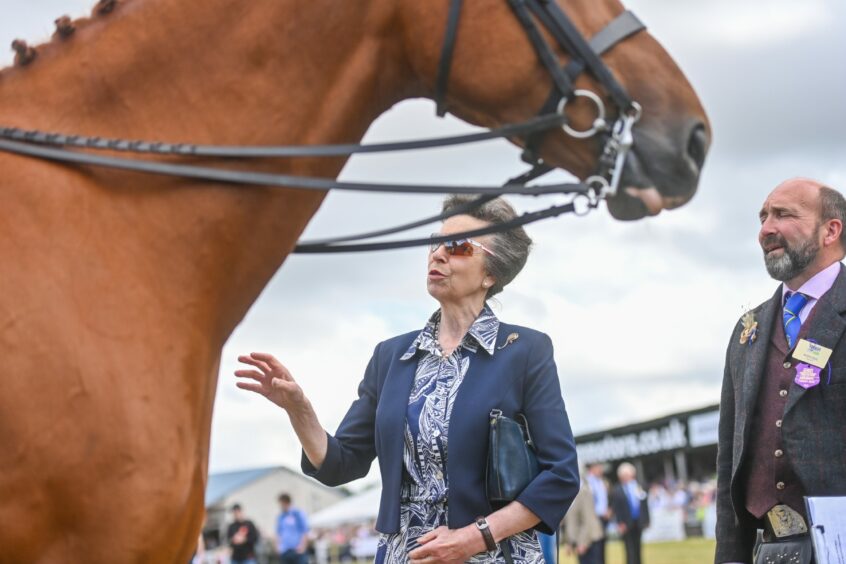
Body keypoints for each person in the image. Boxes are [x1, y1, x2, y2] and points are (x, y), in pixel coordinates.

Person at [236, 195, 580, 563]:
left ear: (490, 274)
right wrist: (299, 409)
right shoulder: (390, 357)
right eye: (436, 242)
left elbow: (561, 475)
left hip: (493, 555)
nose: (438, 254)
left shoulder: (525, 350)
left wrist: (473, 538)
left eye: (458, 247)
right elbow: (342, 464)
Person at [716, 178, 846, 564]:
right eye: (763, 217)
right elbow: (728, 460)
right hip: (764, 549)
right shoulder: (747, 330)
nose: (766, 229)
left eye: (784, 215)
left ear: (831, 230)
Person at [610, 463, 649, 564]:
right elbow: (617, 508)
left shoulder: (639, 486)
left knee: (638, 548)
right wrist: (620, 522)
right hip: (626, 523)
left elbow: (644, 504)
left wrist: (647, 520)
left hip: (638, 522)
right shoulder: (617, 490)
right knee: (629, 549)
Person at [563, 469, 604, 564]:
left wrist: (583, 543)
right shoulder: (570, 493)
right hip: (579, 540)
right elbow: (571, 521)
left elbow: (588, 520)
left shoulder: (584, 492)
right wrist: (570, 542)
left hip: (590, 540)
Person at [585, 462, 610, 564]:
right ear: (592, 468)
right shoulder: (587, 482)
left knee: (602, 549)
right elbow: (588, 503)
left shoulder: (601, 482)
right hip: (593, 519)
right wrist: (601, 512)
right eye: (599, 468)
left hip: (603, 518)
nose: (601, 470)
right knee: (595, 550)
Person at [276, 493, 309, 564]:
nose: (280, 506)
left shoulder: (298, 514)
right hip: (285, 551)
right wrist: (278, 547)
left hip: (297, 551)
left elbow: (305, 531)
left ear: (286, 502)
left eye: (281, 504)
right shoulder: (281, 517)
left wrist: (303, 546)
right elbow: (279, 533)